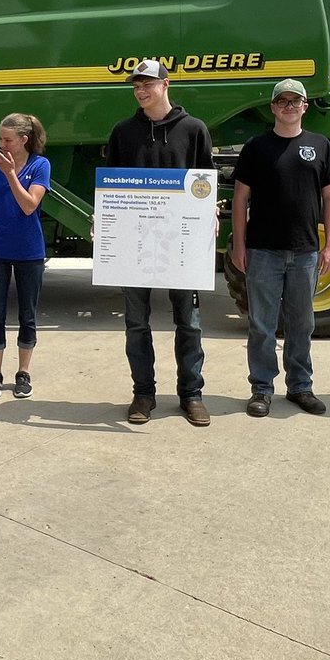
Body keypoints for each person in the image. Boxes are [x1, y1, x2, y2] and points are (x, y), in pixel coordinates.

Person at [105, 59, 215, 427]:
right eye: (136, 85)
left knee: (189, 322)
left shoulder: (194, 130)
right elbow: (112, 189)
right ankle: (144, 393)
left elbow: (205, 184)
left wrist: (209, 216)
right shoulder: (122, 132)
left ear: (166, 84)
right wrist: (105, 224)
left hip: (181, 242)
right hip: (136, 244)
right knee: (136, 322)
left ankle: (191, 394)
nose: (140, 90)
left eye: (147, 83)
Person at [230, 78, 330, 418]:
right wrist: (239, 244)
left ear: (305, 107)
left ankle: (300, 387)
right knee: (262, 324)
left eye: (296, 101)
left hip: (306, 251)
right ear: (273, 108)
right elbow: (240, 198)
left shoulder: (320, 146)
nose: (289, 107)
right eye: (283, 102)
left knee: (301, 323)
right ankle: (261, 389)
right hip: (263, 251)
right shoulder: (256, 147)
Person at [0, 113, 51, 400]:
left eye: (8, 140)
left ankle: (23, 372)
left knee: (27, 314)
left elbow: (30, 205)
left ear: (24, 139)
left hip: (30, 252)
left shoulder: (40, 165)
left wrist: (10, 173)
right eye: (0, 139)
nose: (2, 144)